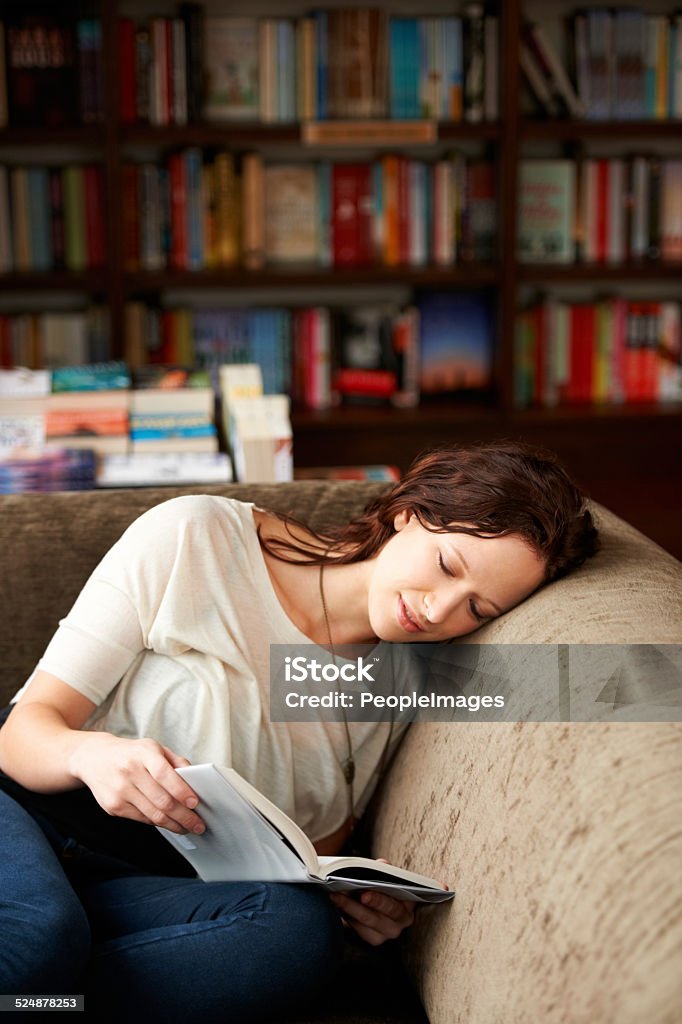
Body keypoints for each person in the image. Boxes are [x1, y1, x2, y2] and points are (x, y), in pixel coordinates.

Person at [0, 440, 598, 1021]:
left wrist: (357, 901)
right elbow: (21, 736)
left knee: (294, 935)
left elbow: (314, 848)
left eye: (477, 609)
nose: (439, 611)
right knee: (41, 933)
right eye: (446, 566)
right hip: (33, 815)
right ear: (407, 513)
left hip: (150, 882)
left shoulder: (406, 678)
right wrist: (91, 755)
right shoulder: (197, 538)